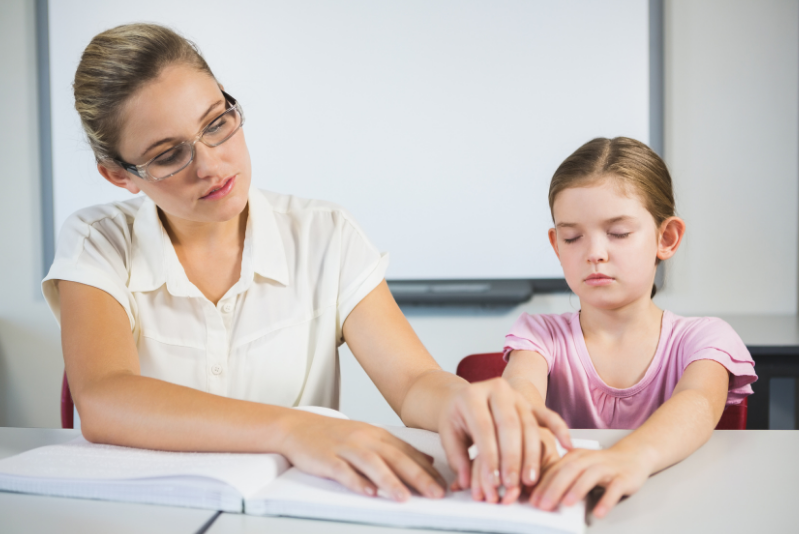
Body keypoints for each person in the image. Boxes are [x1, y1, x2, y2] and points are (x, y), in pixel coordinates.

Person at [42, 23, 562, 505]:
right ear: (119, 175)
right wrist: (296, 428)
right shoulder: (98, 240)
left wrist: (461, 402)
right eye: (168, 154)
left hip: (292, 513)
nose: (211, 164)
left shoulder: (324, 234)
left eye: (217, 123)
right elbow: (105, 397)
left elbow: (412, 381)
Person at [500, 137, 757, 516]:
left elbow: (698, 401)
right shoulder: (538, 335)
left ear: (665, 238)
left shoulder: (706, 338)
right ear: (557, 245)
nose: (594, 253)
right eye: (572, 237)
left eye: (618, 233)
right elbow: (520, 390)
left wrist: (629, 458)